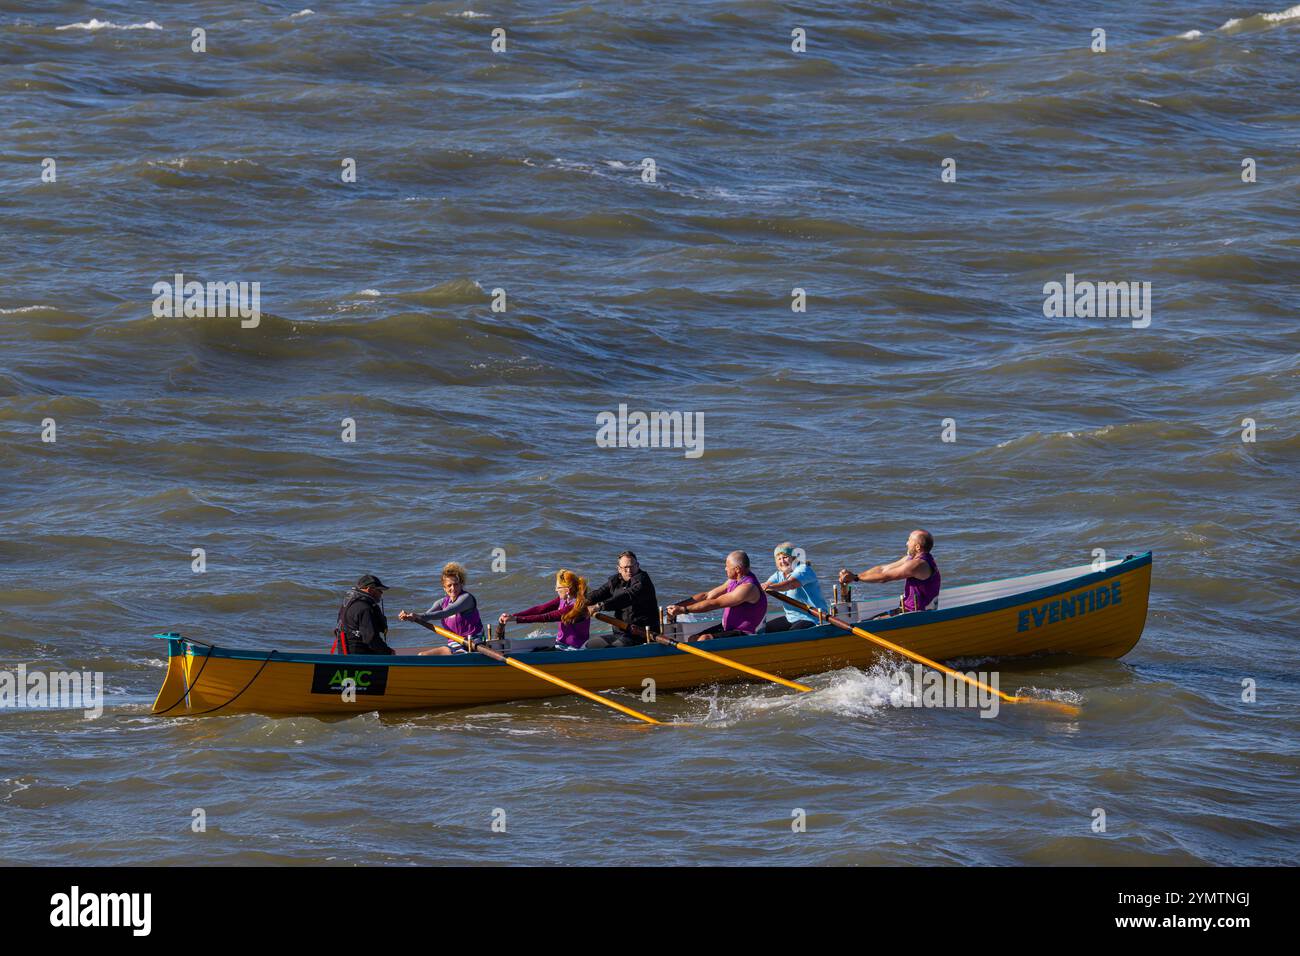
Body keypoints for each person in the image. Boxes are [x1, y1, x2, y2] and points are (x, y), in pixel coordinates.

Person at [665, 550, 768, 641]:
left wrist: (684, 610)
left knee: (704, 639)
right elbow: (707, 595)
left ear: (737, 569)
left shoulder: (748, 588)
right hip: (726, 628)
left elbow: (715, 603)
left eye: (727, 566)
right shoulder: (733, 580)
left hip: (743, 634)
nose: (725, 569)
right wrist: (678, 606)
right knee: (692, 638)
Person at [839, 529, 941, 613]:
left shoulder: (918, 565)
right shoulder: (911, 559)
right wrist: (856, 576)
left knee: (866, 623)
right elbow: (883, 569)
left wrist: (856, 578)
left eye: (909, 540)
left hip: (917, 614)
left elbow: (884, 577)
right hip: (909, 609)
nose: (906, 543)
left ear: (917, 547)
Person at [398, 562, 484, 655]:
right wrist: (410, 617)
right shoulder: (441, 602)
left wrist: (418, 616)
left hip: (473, 644)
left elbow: (446, 612)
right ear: (444, 588)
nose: (453, 588)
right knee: (422, 655)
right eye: (449, 585)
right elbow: (426, 617)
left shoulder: (466, 598)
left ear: (461, 584)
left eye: (456, 584)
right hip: (454, 645)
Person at [582, 551, 660, 649]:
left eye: (632, 566)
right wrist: (582, 602)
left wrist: (599, 606)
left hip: (641, 635)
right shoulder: (615, 581)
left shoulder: (643, 583)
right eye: (625, 568)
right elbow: (599, 593)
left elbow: (625, 598)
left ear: (638, 565)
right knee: (589, 645)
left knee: (611, 650)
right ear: (619, 569)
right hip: (620, 633)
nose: (629, 570)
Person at [499, 569, 590, 650]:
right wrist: (514, 616)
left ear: (567, 590)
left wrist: (517, 620)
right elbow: (540, 609)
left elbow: (547, 617)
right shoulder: (563, 599)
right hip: (560, 645)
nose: (556, 590)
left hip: (574, 649)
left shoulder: (576, 606)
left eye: (558, 588)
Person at [761, 542, 828, 631]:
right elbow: (765, 586)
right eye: (779, 559)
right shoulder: (779, 575)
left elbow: (790, 584)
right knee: (764, 630)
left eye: (785, 557)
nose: (782, 561)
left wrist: (772, 587)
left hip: (813, 617)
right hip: (791, 618)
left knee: (791, 633)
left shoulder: (803, 569)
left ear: (794, 558)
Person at [334, 574, 394, 655]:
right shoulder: (365, 608)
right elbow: (371, 638)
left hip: (344, 653)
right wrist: (388, 652)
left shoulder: (347, 604)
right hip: (359, 657)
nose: (381, 593)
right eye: (379, 590)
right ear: (370, 589)